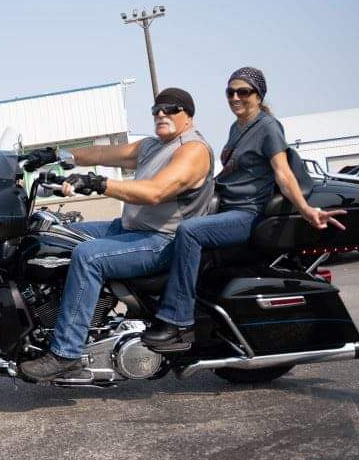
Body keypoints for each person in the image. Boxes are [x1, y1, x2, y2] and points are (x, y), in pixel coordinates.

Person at [142, 67, 346, 352]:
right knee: (173, 225)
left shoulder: (268, 127)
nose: (235, 98)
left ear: (258, 95)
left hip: (247, 213)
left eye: (243, 92)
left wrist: (305, 209)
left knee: (189, 231)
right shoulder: (236, 127)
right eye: (230, 92)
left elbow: (283, 173)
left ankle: (178, 321)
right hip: (225, 207)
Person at [19, 88, 214, 381]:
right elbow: (100, 153)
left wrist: (99, 184)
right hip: (130, 228)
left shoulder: (193, 150)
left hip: (163, 240)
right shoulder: (151, 146)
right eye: (156, 110)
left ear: (188, 115)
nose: (162, 114)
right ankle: (46, 322)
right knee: (54, 235)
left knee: (88, 256)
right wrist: (56, 155)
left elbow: (156, 191)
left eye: (171, 109)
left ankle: (67, 352)